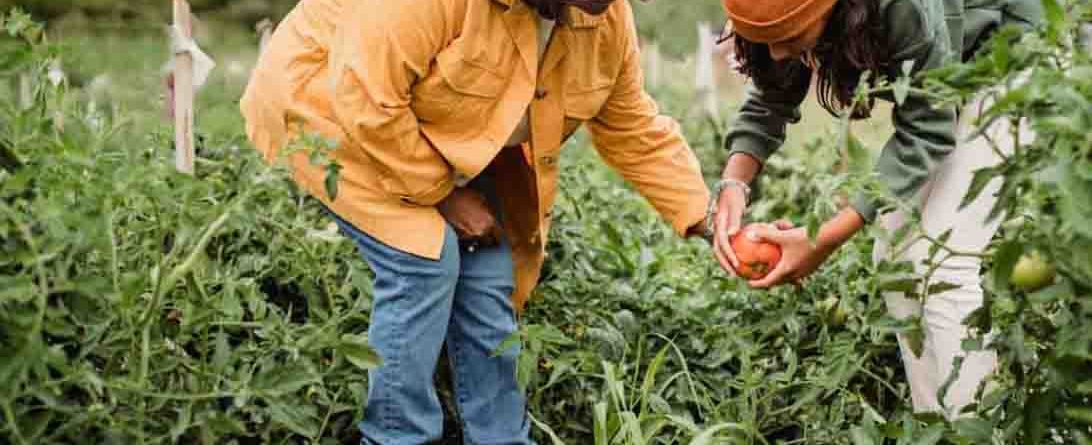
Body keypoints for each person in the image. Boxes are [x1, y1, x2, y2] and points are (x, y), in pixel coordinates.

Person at [240, 0, 711, 442]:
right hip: (328, 109)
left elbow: (632, 127)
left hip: (436, 128)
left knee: (489, 271)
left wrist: (705, 216)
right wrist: (445, 197)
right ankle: (396, 435)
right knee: (423, 260)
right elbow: (366, 99)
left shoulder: (603, 17)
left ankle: (501, 435)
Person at [711, 0, 1040, 417]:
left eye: (791, 37)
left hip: (1018, 52)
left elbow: (926, 128)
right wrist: (734, 182)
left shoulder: (901, 6)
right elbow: (772, 90)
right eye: (765, 39)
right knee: (894, 255)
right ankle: (933, 423)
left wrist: (823, 238)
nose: (777, 53)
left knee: (940, 257)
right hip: (952, 73)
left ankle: (976, 427)